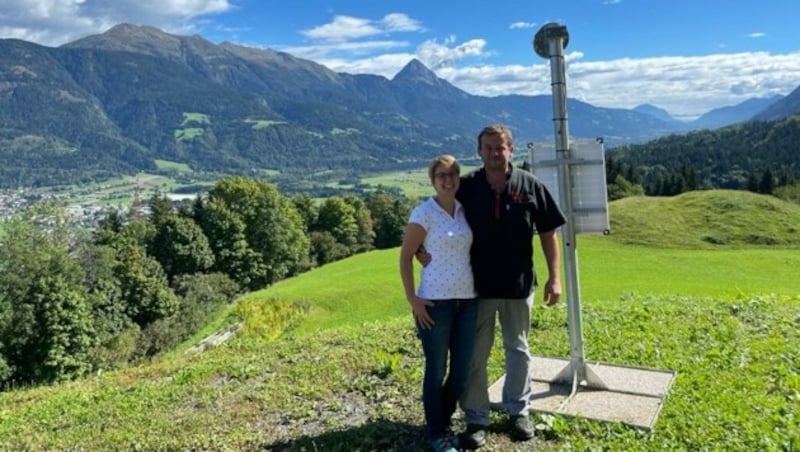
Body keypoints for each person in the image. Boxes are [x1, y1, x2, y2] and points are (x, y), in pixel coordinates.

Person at [420, 124, 566, 448]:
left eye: (499, 147)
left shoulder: (530, 185)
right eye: (487, 148)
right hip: (478, 289)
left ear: (511, 150)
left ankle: (518, 411)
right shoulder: (467, 186)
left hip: (519, 287)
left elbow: (548, 232)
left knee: (519, 351)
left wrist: (555, 278)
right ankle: (477, 418)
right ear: (479, 151)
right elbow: (435, 212)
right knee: (476, 355)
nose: (494, 153)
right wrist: (418, 248)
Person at [399, 154, 478, 452]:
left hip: (468, 301)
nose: (448, 180)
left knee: (461, 370)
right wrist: (413, 299)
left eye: (453, 174)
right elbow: (405, 257)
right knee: (436, 369)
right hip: (435, 303)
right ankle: (437, 432)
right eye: (441, 175)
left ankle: (440, 422)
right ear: (433, 180)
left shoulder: (463, 210)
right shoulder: (424, 213)